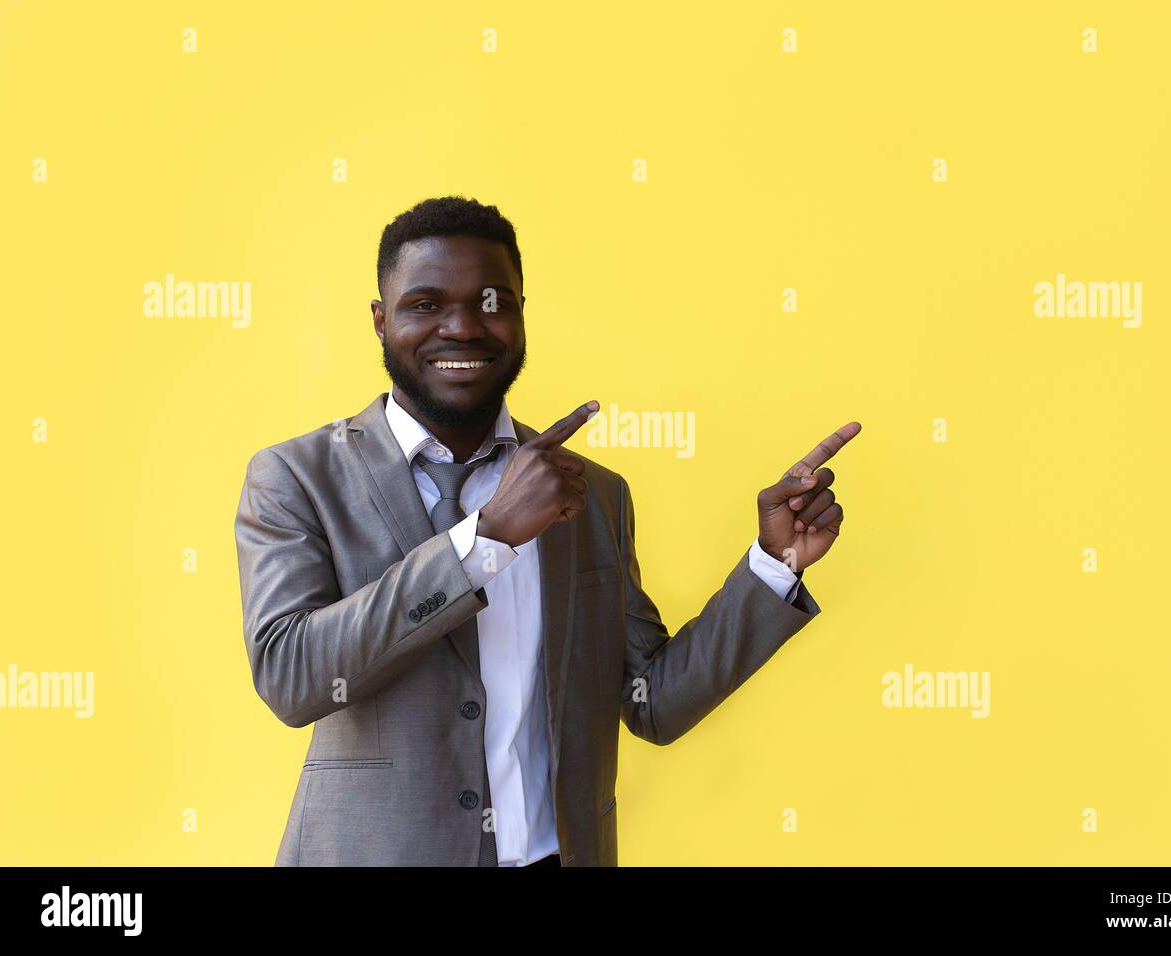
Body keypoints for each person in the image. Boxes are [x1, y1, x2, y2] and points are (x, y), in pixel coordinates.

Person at [233, 195, 860, 866]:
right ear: (382, 322)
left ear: (522, 315)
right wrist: (487, 539)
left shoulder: (592, 495)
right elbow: (291, 677)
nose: (462, 326)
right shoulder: (296, 478)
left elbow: (653, 703)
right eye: (425, 304)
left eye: (491, 302)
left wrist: (772, 563)